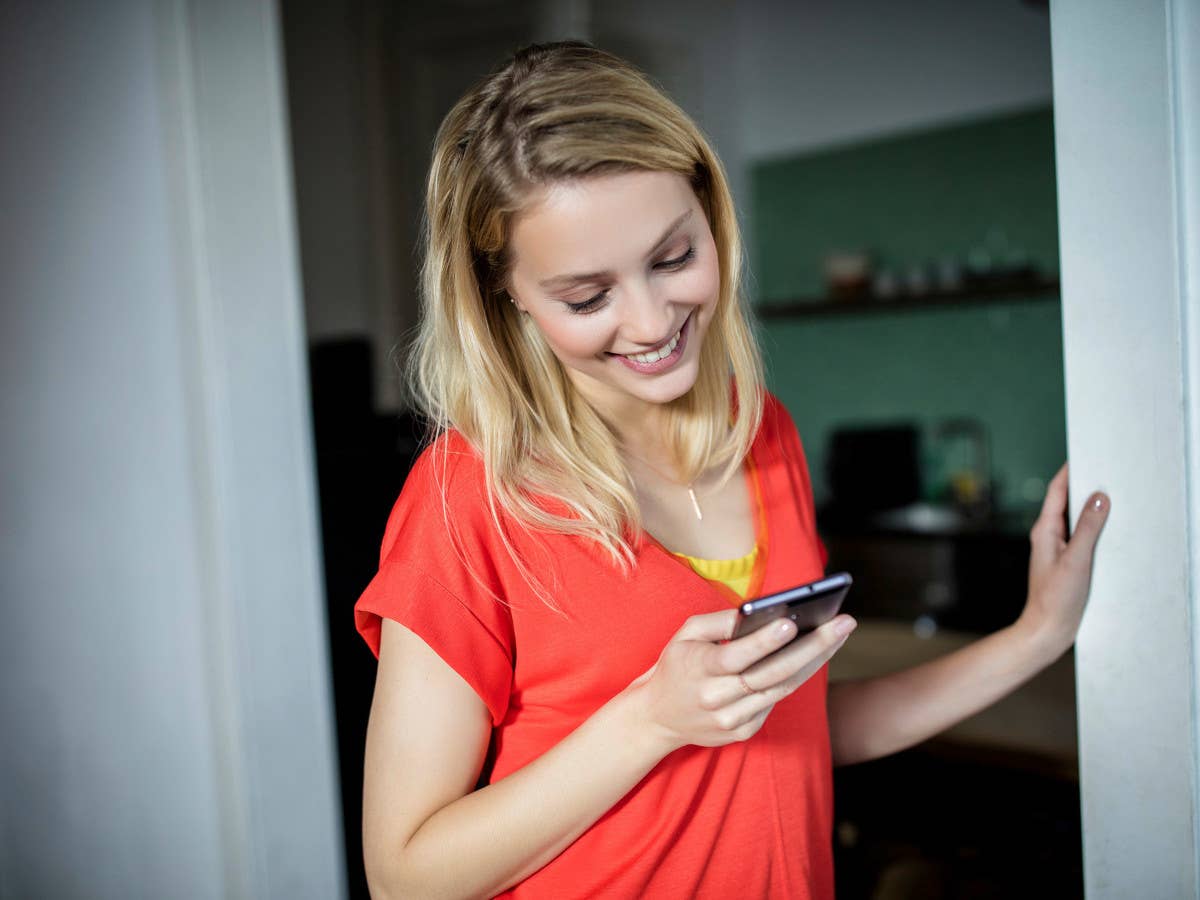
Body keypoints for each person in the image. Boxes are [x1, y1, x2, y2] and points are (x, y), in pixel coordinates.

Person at [355, 41, 1110, 899]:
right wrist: (649, 719)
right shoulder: (470, 496)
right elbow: (406, 875)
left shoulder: (764, 435)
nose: (649, 321)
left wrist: (1037, 634)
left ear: (710, 212)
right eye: (587, 296)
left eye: (673, 258)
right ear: (510, 298)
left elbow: (795, 724)